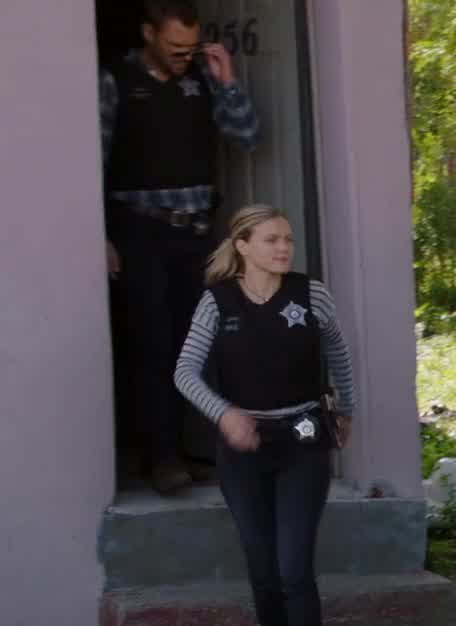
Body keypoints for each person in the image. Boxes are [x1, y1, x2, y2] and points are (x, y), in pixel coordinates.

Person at [174, 204, 355, 626]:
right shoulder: (217, 302)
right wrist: (225, 414)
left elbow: (339, 354)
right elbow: (185, 372)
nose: (283, 248)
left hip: (302, 440)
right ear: (243, 246)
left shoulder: (311, 295)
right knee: (263, 569)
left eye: (288, 239)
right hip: (244, 449)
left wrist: (345, 408)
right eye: (271, 239)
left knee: (294, 566)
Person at [103, 0, 261, 495]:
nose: (183, 56)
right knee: (152, 344)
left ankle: (194, 450)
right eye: (175, 47)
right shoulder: (115, 82)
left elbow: (247, 136)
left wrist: (227, 80)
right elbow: (92, 159)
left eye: (190, 48)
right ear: (148, 34)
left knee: (196, 345)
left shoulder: (202, 78)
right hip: (140, 232)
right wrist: (100, 236)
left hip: (195, 234)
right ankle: (161, 458)